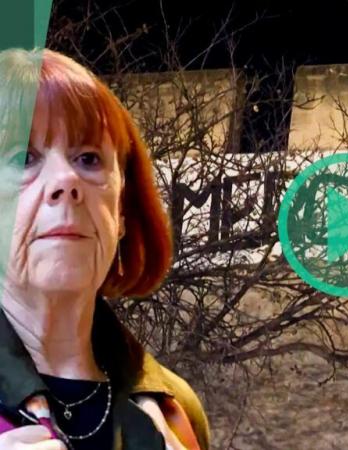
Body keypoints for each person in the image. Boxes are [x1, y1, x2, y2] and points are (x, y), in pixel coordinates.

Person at [0, 48, 210, 450]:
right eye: (23, 157)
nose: (65, 179)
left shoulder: (175, 411)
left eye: (88, 158)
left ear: (122, 211)